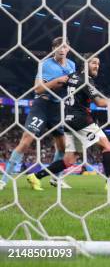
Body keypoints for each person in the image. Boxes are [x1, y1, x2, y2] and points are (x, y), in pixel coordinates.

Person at [26, 54, 110, 191]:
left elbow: (59, 85)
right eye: (93, 63)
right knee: (107, 147)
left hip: (68, 121)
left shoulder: (72, 77)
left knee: (69, 160)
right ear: (85, 64)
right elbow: (99, 102)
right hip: (82, 120)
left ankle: (35, 177)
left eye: (98, 64)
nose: (97, 66)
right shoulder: (86, 80)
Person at [0, 37, 75, 191]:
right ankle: (4, 180)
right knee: (26, 141)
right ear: (53, 48)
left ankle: (56, 179)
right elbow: (38, 89)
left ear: (68, 49)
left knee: (62, 147)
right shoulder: (45, 64)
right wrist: (57, 81)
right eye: (58, 47)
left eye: (64, 47)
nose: (61, 50)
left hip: (58, 109)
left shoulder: (72, 65)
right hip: (42, 105)